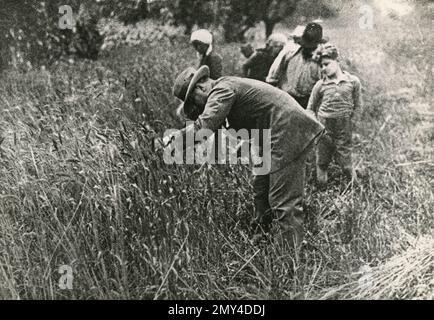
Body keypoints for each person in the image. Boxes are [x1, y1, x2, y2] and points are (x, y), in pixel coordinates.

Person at [169, 65, 324, 248]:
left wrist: (171, 144)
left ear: (201, 88)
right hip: (270, 134)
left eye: (194, 102)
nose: (198, 107)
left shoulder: (222, 90)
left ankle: (289, 263)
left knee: (283, 201)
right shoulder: (225, 87)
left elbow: (204, 127)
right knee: (261, 186)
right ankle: (261, 235)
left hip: (287, 131)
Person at [306, 43, 363, 187]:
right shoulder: (320, 85)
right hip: (324, 126)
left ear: (337, 61)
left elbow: (358, 106)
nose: (324, 68)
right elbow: (310, 108)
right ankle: (322, 189)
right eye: (321, 66)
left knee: (346, 163)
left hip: (344, 125)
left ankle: (356, 191)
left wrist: (353, 125)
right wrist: (316, 126)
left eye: (327, 64)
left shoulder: (352, 81)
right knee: (322, 162)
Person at [266, 23, 328, 109]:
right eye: (306, 45)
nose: (308, 48)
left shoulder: (323, 60)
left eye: (311, 47)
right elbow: (273, 74)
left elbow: (326, 87)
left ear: (317, 44)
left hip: (308, 101)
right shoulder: (290, 53)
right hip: (286, 97)